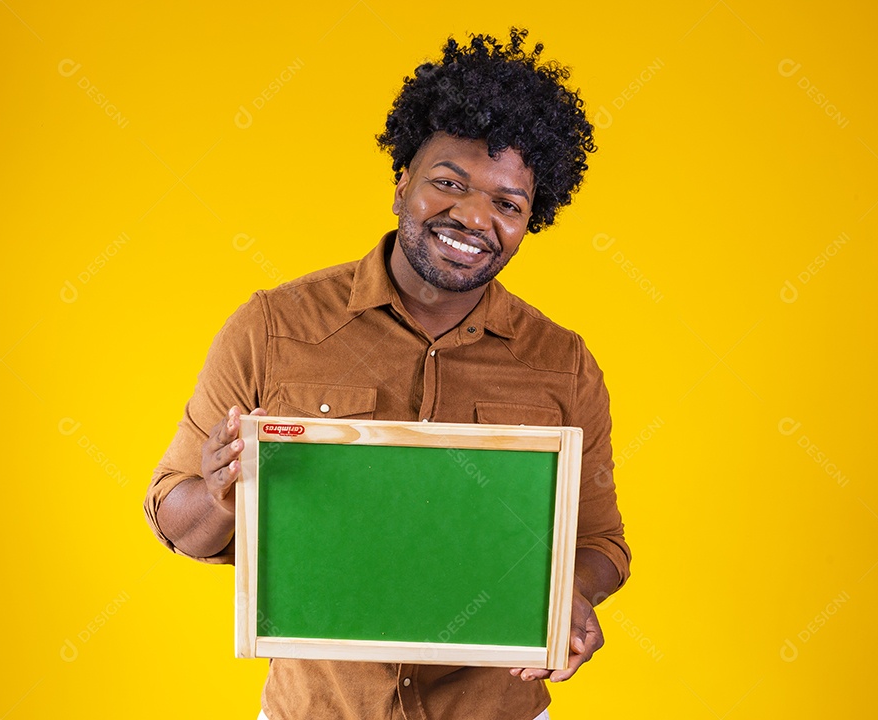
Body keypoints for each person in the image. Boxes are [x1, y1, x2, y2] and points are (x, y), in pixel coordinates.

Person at [145, 28, 630, 720]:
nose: (473, 216)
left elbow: (601, 545)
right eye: (448, 183)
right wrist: (221, 491)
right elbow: (176, 520)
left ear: (532, 220)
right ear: (402, 180)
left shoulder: (562, 363)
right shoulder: (272, 328)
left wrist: (569, 598)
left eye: (507, 203)